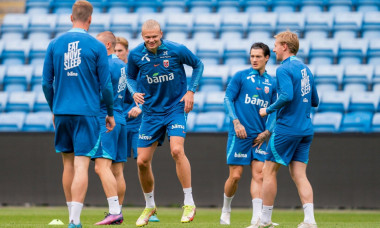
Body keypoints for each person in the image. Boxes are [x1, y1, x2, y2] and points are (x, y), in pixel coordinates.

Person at [42, 1, 115, 228]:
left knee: (67, 165)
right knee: (82, 165)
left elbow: (46, 83)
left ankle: (72, 216)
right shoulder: (97, 46)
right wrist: (110, 113)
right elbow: (106, 87)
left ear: (70, 18)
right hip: (87, 113)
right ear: (90, 20)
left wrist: (54, 108)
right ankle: (75, 220)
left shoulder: (54, 44)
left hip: (62, 111)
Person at [126, 19, 204, 227]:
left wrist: (190, 91)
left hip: (175, 108)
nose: (151, 40)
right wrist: (134, 93)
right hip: (151, 112)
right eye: (147, 37)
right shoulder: (135, 55)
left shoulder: (177, 50)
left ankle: (189, 202)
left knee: (176, 150)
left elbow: (198, 64)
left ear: (161, 34)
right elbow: (130, 77)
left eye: (154, 36)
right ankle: (150, 205)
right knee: (142, 161)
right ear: (142, 36)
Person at [253, 31, 319, 228]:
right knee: (300, 175)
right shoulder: (306, 69)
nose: (273, 49)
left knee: (268, 171)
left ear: (284, 46)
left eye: (275, 45)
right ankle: (310, 220)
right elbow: (314, 101)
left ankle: (264, 219)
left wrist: (267, 109)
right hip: (306, 129)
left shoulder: (283, 69)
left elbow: (286, 96)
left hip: (287, 128)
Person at [220, 42, 277, 226]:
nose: (254, 59)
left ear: (267, 58)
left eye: (258, 56)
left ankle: (257, 218)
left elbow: (276, 109)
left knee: (259, 175)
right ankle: (226, 208)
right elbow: (228, 99)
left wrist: (268, 131)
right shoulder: (240, 76)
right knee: (235, 176)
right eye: (252, 56)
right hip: (240, 134)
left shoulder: (272, 82)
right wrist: (236, 122)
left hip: (260, 137)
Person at [115, 36, 160, 223]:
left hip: (138, 123)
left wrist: (139, 107)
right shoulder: (111, 70)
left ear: (127, 52)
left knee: (143, 163)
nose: (117, 54)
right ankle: (116, 210)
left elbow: (148, 92)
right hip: (120, 121)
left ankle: (151, 208)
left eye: (120, 51)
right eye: (115, 51)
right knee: (117, 167)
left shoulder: (136, 70)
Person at [92, 31, 127, 225]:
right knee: (117, 171)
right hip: (121, 118)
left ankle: (114, 211)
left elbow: (100, 93)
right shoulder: (122, 65)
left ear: (106, 45)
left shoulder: (105, 64)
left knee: (101, 166)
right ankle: (118, 212)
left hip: (106, 118)